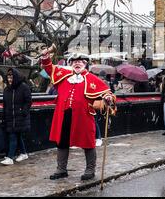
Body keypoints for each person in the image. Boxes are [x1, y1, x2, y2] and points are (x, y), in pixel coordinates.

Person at [40, 48, 115, 181]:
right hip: (63, 115)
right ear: (70, 64)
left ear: (85, 64)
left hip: (83, 116)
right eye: (74, 61)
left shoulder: (92, 79)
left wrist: (108, 98)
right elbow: (49, 68)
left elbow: (107, 92)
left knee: (87, 142)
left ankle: (90, 170)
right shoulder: (63, 76)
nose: (77, 63)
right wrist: (46, 57)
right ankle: (61, 169)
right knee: (62, 142)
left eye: (80, 61)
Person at [0, 68, 32, 165]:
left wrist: (24, 111)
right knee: (17, 136)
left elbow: (28, 101)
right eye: (8, 77)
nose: (9, 79)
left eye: (11, 77)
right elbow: (5, 104)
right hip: (10, 117)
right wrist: (3, 116)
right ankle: (23, 153)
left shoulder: (23, 87)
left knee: (13, 136)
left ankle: (10, 157)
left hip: (20, 117)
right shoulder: (6, 90)